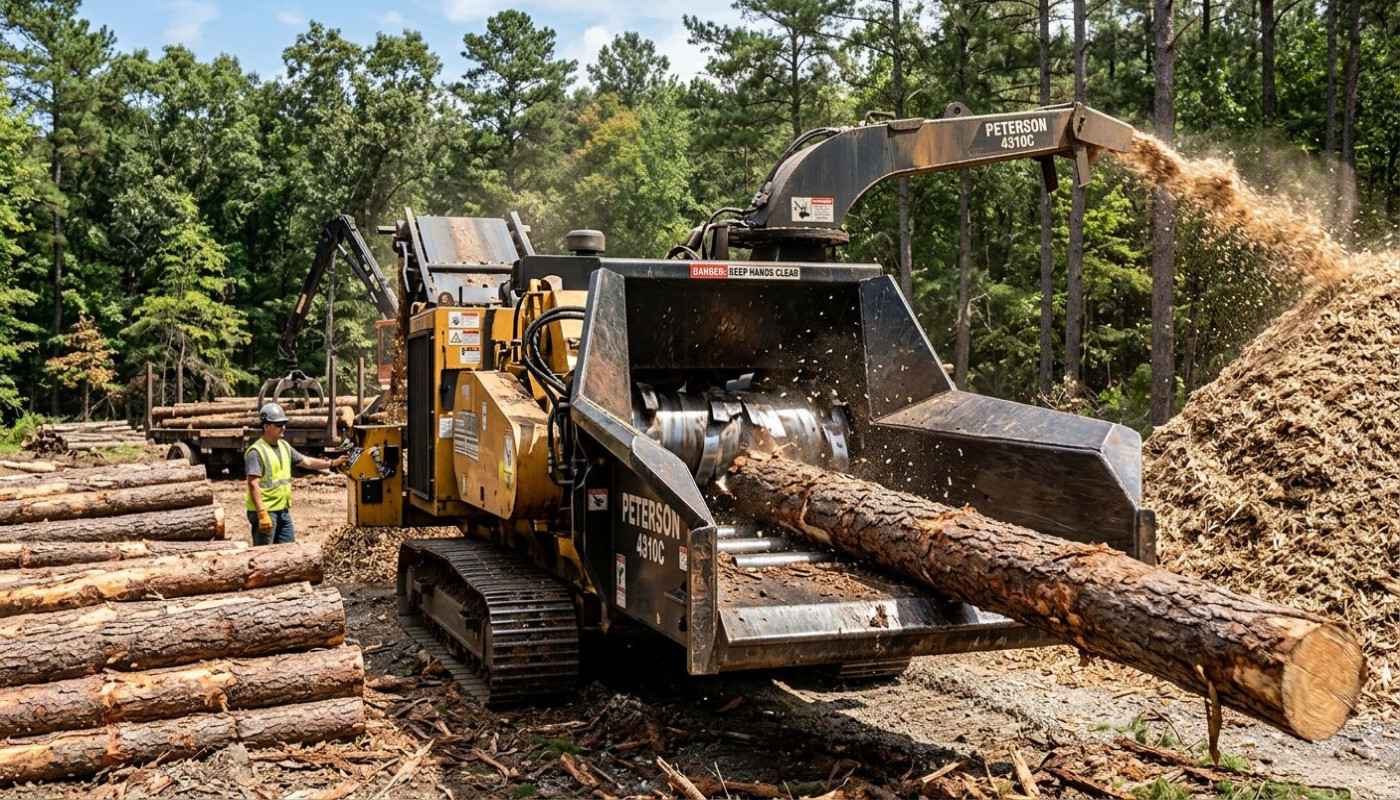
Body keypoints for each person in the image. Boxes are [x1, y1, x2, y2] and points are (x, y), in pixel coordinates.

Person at [246, 402, 348, 545]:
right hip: (265, 512)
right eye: (279, 424)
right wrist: (262, 513)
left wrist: (331, 463)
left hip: (283, 510)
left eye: (284, 424)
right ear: (266, 426)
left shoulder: (284, 446)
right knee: (265, 554)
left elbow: (307, 462)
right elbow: (253, 484)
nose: (283, 427)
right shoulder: (256, 451)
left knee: (289, 550)